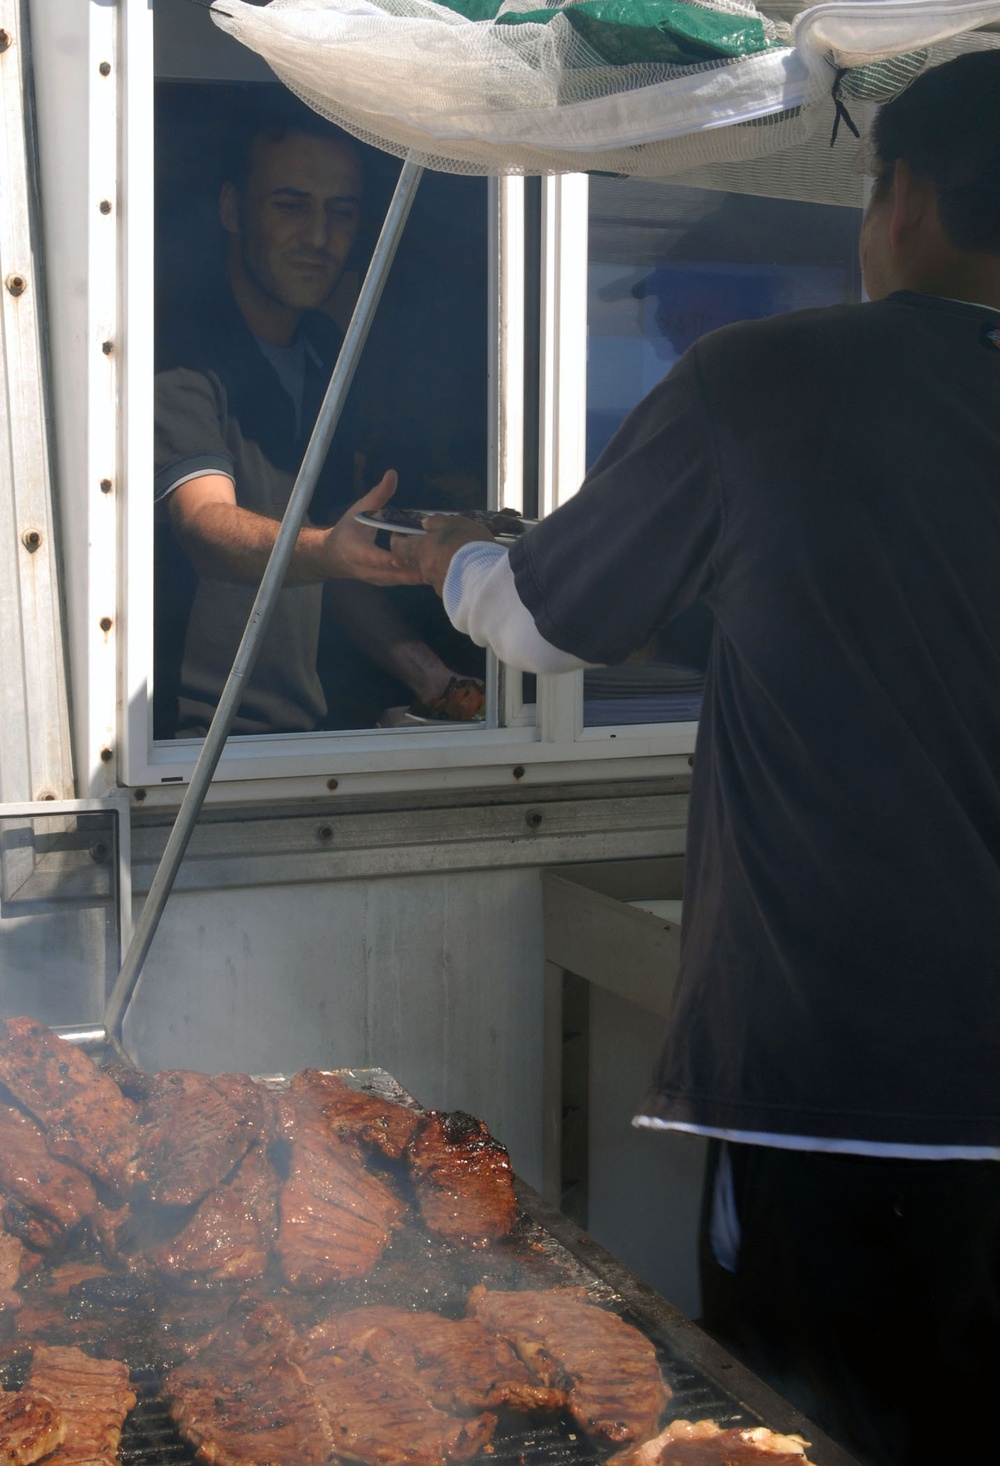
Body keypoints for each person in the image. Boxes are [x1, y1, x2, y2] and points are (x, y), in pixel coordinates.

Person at [379, 51, 1000, 1466]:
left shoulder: (771, 382)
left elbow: (541, 618)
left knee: (810, 1434)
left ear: (898, 199)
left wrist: (453, 555)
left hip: (852, 1102)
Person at [154, 101, 483, 737]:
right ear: (231, 210)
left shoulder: (326, 355)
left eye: (342, 211)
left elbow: (331, 558)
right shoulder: (180, 354)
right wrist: (329, 549)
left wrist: (435, 681)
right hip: (186, 747)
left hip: (295, 735)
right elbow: (204, 525)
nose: (318, 235)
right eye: (290, 204)